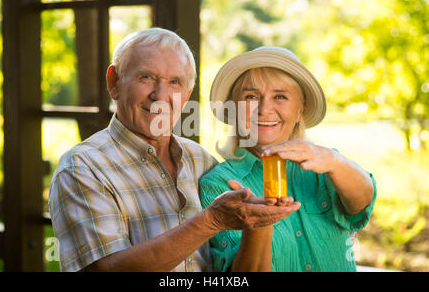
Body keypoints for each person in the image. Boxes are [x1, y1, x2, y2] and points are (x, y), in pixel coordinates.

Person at [48, 28, 300, 272]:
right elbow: (109, 269)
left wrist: (258, 222)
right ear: (114, 82)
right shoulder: (83, 167)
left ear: (187, 93)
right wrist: (211, 220)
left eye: (175, 82)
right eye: (146, 77)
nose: (160, 95)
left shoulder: (201, 161)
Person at [199, 46, 377, 272]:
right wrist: (259, 223)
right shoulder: (219, 184)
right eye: (251, 97)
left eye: (280, 96)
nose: (264, 109)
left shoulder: (325, 164)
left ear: (300, 109)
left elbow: (362, 203)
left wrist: (334, 160)